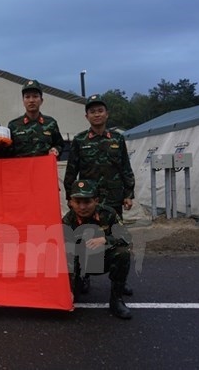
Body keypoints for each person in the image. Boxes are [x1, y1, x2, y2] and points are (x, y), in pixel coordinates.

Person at [64, 93, 135, 295]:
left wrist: (129, 193)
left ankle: (119, 282)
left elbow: (125, 168)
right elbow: (71, 170)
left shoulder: (118, 139)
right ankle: (83, 277)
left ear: (107, 114)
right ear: (87, 116)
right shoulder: (79, 140)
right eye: (92, 111)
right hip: (87, 199)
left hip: (113, 198)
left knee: (115, 238)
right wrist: (70, 197)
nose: (96, 115)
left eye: (100, 111)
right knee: (85, 238)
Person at [62, 179, 132, 319]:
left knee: (123, 253)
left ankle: (116, 300)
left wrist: (105, 239)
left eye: (87, 202)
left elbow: (126, 236)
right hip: (81, 263)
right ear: (70, 202)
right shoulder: (67, 221)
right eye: (77, 202)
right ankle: (80, 282)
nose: (82, 207)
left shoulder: (109, 213)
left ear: (96, 200)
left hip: (103, 259)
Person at [8, 79, 65, 157]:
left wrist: (56, 149)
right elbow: (7, 153)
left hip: (43, 168)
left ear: (41, 100)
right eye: (27, 97)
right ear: (23, 101)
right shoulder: (13, 125)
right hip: (22, 168)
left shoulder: (51, 123)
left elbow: (60, 145)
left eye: (35, 96)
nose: (31, 100)